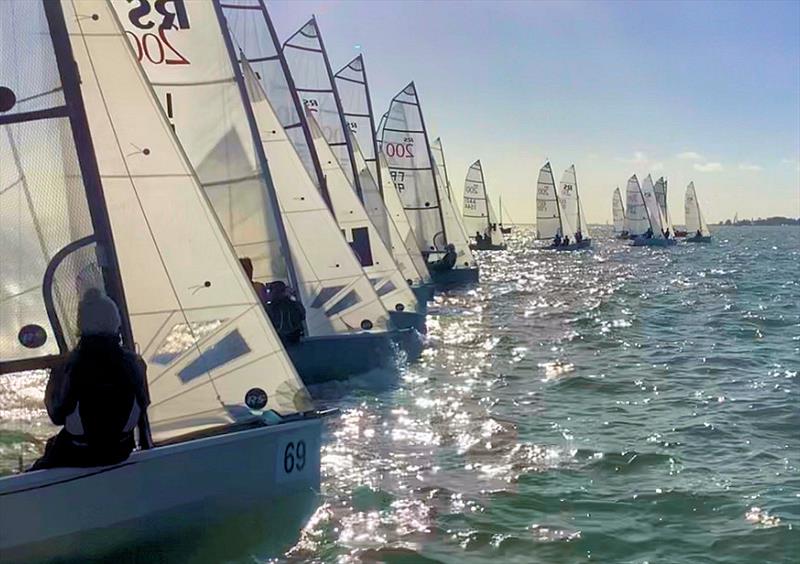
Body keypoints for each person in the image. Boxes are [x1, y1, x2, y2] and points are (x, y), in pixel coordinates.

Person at [30, 289, 149, 470]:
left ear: (81, 324)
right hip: (120, 452)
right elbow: (143, 403)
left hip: (79, 456)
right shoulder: (135, 363)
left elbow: (57, 415)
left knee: (44, 459)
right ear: (115, 322)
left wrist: (54, 375)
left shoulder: (73, 365)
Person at [265, 280, 306, 344]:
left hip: (279, 339)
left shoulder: (270, 307)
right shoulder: (295, 304)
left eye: (271, 291)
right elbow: (302, 316)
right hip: (295, 337)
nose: (269, 293)